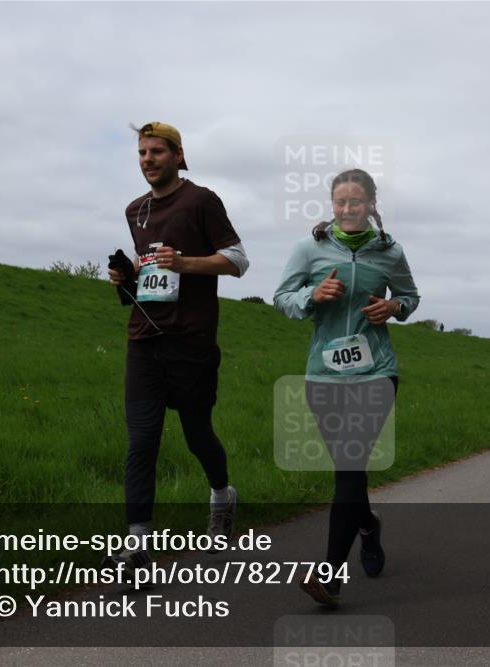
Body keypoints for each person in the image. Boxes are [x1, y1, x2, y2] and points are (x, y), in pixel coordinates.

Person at [106, 122, 250, 571]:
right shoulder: (135, 210)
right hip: (144, 338)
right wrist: (127, 274)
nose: (148, 159)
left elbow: (238, 260)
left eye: (157, 152)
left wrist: (186, 263)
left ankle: (222, 496)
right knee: (142, 441)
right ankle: (136, 547)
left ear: (178, 155)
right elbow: (148, 261)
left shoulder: (201, 201)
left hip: (192, 341)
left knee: (197, 435)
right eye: (142, 153)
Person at [274, 168, 420, 607]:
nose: (348, 209)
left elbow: (411, 298)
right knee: (349, 470)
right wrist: (312, 296)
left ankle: (330, 576)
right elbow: (282, 298)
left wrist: (393, 306)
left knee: (351, 465)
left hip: (377, 372)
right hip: (324, 374)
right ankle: (368, 529)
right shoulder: (310, 248)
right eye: (340, 202)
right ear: (332, 205)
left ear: (372, 204)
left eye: (356, 202)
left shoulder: (389, 251)